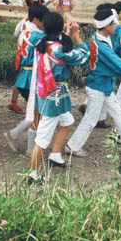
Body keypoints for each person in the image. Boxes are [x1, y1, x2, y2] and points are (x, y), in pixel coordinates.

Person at [66, 9, 121, 158]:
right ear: (107, 26)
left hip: (103, 85)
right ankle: (73, 146)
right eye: (114, 23)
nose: (116, 25)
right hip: (98, 87)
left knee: (119, 113)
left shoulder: (97, 38)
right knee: (91, 118)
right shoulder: (102, 46)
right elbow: (119, 65)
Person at [27, 12, 89, 184]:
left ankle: (55, 155)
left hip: (46, 90)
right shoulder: (59, 50)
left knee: (68, 121)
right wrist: (76, 35)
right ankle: (33, 174)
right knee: (42, 137)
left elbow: (58, 45)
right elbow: (82, 55)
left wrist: (66, 33)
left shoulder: (41, 41)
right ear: (61, 27)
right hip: (54, 94)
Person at [4, 3, 49, 155]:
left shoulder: (25, 32)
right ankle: (30, 150)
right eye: (44, 21)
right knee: (37, 116)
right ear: (36, 20)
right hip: (33, 79)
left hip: (23, 78)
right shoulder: (38, 37)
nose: (45, 25)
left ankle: (14, 134)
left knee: (35, 112)